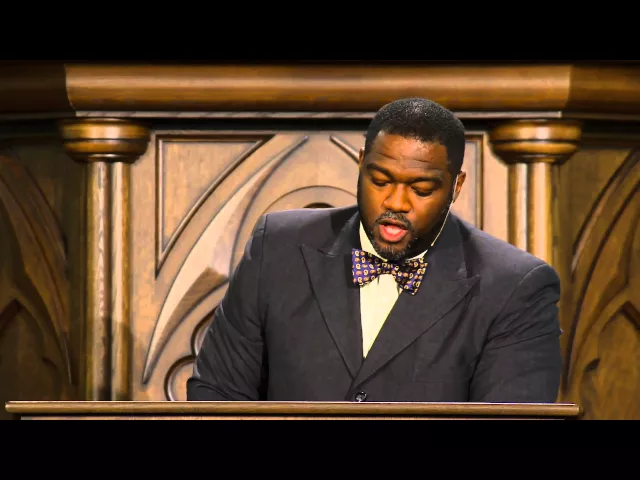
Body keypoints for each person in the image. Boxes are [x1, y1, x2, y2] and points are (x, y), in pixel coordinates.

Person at [187, 97, 563, 403]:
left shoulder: (515, 287)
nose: (396, 202)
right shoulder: (277, 247)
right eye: (380, 180)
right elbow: (217, 395)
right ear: (361, 163)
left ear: (456, 186)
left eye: (421, 189)